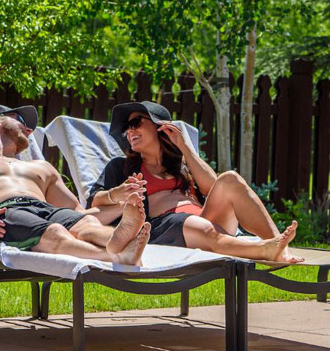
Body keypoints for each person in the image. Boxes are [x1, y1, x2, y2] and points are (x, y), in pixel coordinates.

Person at [86, 101, 302, 263]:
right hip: (166, 227)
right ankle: (262, 250)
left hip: (206, 222)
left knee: (230, 179)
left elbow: (212, 187)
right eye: (127, 128)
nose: (130, 131)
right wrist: (118, 194)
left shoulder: (182, 164)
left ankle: (280, 248)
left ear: (159, 127)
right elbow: (93, 201)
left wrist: (184, 147)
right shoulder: (121, 167)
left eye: (135, 123)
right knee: (197, 224)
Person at [0, 104, 150, 265]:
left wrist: (119, 203)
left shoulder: (42, 167)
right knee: (55, 231)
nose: (29, 129)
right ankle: (117, 256)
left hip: (45, 210)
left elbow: (79, 212)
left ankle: (121, 240)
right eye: (21, 120)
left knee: (87, 226)